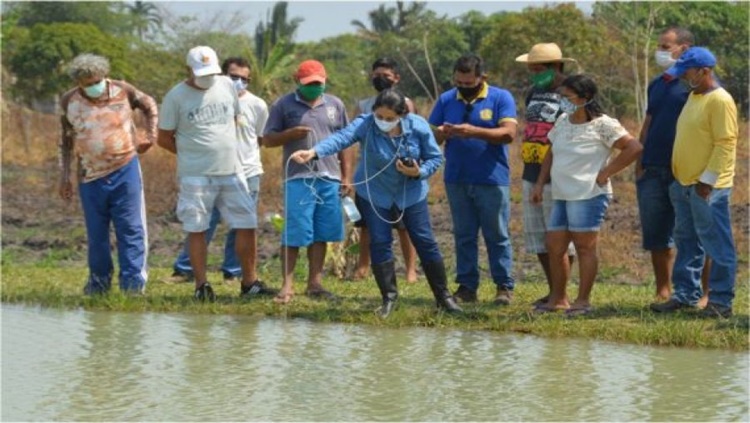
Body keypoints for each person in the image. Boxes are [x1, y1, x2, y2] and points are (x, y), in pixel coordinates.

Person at [290, 89, 462, 317]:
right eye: (380, 117)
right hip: (374, 193)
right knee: (380, 242)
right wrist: (313, 152)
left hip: (411, 193)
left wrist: (418, 171)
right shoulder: (366, 124)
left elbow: (435, 158)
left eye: (390, 119)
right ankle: (389, 298)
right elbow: (341, 138)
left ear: (402, 115)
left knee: (425, 241)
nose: (384, 122)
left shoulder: (418, 126)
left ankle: (444, 298)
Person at [157, 46, 265, 302]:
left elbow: (235, 120)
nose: (207, 78)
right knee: (198, 229)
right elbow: (163, 138)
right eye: (201, 73)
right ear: (189, 71)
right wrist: (191, 155)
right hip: (195, 176)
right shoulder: (175, 97)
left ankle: (249, 282)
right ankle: (201, 285)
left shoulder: (227, 85)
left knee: (246, 224)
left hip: (232, 171)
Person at [531, 74, 642, 315]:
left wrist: (606, 172)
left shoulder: (604, 124)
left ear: (585, 97)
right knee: (555, 245)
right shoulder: (563, 121)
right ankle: (558, 299)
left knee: (584, 247)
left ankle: (583, 301)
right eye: (561, 96)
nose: (562, 101)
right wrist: (540, 183)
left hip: (588, 194)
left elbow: (633, 147)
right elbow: (551, 152)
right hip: (561, 193)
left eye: (567, 96)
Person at [649, 47, 738, 318]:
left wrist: (707, 181)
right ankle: (685, 295)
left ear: (704, 71)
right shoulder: (693, 96)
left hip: (708, 187)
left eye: (687, 72)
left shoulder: (720, 100)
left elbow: (725, 143)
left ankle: (720, 302)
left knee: (717, 244)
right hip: (684, 183)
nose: (683, 77)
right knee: (686, 241)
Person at [59, 53, 157, 295]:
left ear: (104, 76)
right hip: (89, 177)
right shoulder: (68, 101)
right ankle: (99, 283)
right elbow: (65, 141)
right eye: (87, 84)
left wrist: (150, 135)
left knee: (131, 229)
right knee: (97, 233)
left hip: (125, 169)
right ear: (78, 84)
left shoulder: (123, 91)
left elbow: (150, 105)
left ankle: (133, 286)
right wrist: (64, 177)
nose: (93, 87)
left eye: (96, 81)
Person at [428, 54, 518, 306]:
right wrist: (441, 133)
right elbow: (429, 138)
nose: (464, 88)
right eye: (459, 83)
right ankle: (467, 287)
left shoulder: (501, 97)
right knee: (464, 234)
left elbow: (509, 133)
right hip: (456, 178)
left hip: (491, 178)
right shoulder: (446, 99)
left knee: (497, 234)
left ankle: (503, 286)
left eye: (469, 83)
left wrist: (473, 131)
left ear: (482, 78)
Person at [263, 59, 352, 304]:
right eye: (309, 84)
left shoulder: (335, 104)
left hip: (329, 176)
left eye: (318, 83)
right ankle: (287, 286)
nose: (314, 87)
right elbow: (268, 139)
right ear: (298, 82)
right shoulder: (283, 105)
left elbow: (345, 141)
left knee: (322, 232)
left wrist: (346, 176)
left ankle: (315, 283)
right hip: (298, 177)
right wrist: (289, 135)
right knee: (295, 232)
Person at [636, 27, 711, 306]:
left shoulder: (698, 84)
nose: (661, 51)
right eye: (659, 45)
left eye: (666, 46)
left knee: (696, 234)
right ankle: (664, 291)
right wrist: (640, 161)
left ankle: (706, 293)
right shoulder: (658, 83)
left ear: (685, 47)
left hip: (688, 170)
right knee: (657, 234)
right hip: (653, 167)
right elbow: (649, 122)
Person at [515, 42, 577, 306]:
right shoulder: (533, 92)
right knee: (538, 238)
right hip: (531, 172)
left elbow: (572, 133)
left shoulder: (571, 94)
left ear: (556, 67)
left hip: (557, 175)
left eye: (538, 68)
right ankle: (554, 290)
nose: (533, 73)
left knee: (559, 238)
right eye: (531, 68)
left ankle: (561, 295)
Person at [351, 57, 418, 283]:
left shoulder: (406, 104)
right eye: (377, 75)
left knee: (403, 225)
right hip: (370, 173)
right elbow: (351, 138)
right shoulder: (363, 105)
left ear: (396, 79)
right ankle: (363, 266)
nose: (380, 79)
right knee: (367, 224)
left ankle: (410, 270)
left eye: (386, 76)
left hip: (399, 173)